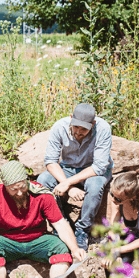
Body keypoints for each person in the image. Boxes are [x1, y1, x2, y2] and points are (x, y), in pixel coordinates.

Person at [37, 103, 113, 251]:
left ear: (93, 124)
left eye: (84, 129)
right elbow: (51, 161)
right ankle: (61, 225)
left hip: (93, 171)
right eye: (75, 126)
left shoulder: (103, 128)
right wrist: (69, 186)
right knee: (43, 181)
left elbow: (99, 167)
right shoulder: (59, 127)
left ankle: (82, 230)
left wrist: (67, 183)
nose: (78, 132)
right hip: (68, 168)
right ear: (71, 118)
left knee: (95, 186)